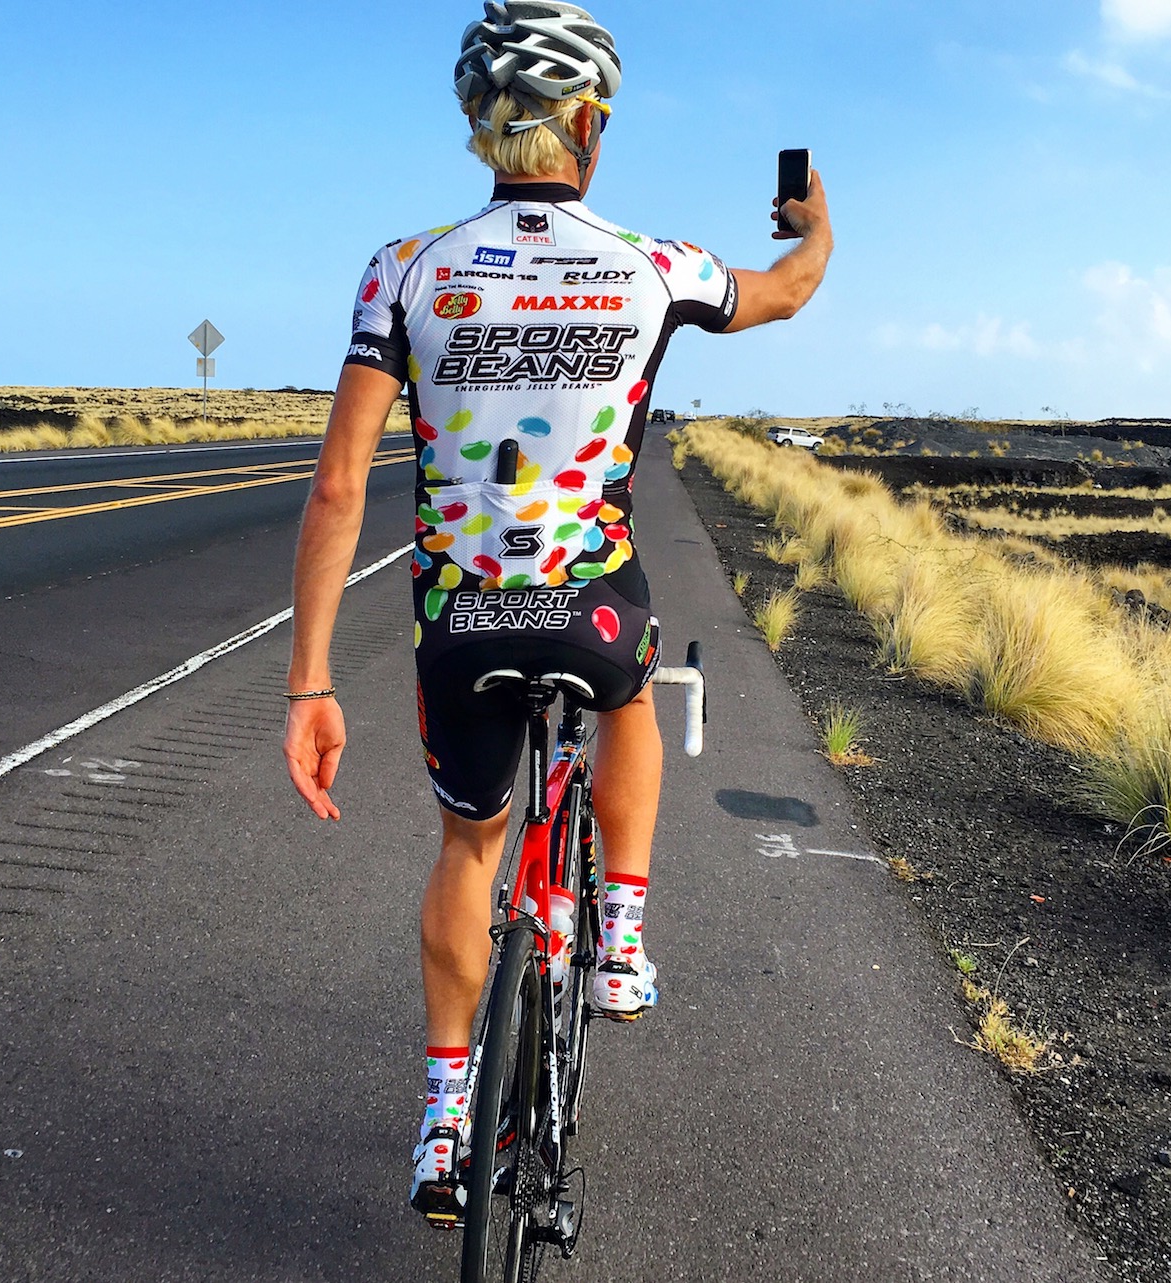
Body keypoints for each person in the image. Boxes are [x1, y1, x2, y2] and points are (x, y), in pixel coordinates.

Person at [280, 0, 832, 1221]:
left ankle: (440, 1115)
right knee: (630, 679)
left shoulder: (402, 270)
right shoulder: (653, 266)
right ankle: (620, 932)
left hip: (461, 620)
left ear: (480, 129)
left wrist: (310, 680)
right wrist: (814, 225)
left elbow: (333, 487)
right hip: (583, 610)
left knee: (469, 848)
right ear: (589, 122)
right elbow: (786, 291)